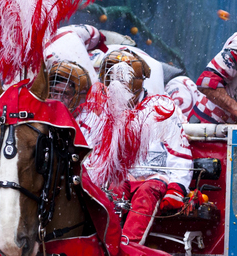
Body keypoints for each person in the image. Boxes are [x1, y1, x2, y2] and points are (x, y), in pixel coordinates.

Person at [80, 47, 194, 245]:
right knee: (111, 192)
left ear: (137, 82)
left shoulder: (163, 109)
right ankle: (106, 245)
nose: (116, 83)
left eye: (123, 77)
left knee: (147, 192)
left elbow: (180, 153)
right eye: (112, 77)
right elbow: (90, 153)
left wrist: (176, 188)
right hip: (118, 179)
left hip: (154, 178)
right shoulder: (98, 110)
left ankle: (129, 247)